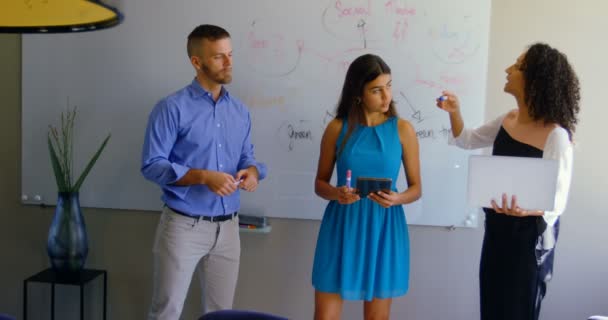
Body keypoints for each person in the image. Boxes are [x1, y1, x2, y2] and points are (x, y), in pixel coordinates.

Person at [437, 42, 580, 320]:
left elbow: (557, 203)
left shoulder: (556, 136)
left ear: (536, 78)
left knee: (518, 311)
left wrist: (526, 209)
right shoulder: (508, 119)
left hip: (528, 241)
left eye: (517, 66)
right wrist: (454, 112)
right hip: (498, 232)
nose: (508, 70)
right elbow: (466, 139)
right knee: (492, 307)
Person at [141, 24, 267, 320]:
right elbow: (151, 164)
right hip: (184, 227)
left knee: (222, 315)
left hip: (229, 230)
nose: (228, 62)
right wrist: (203, 177)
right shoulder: (171, 108)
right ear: (197, 62)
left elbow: (248, 158)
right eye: (219, 57)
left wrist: (252, 172)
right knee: (166, 311)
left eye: (230, 55)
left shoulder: (239, 111)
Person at [312, 54, 422, 320]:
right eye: (376, 90)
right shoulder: (337, 128)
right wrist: (337, 193)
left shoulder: (403, 129)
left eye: (389, 86)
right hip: (342, 225)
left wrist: (397, 198)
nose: (386, 96)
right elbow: (319, 183)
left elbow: (416, 188)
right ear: (358, 93)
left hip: (385, 227)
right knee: (324, 317)